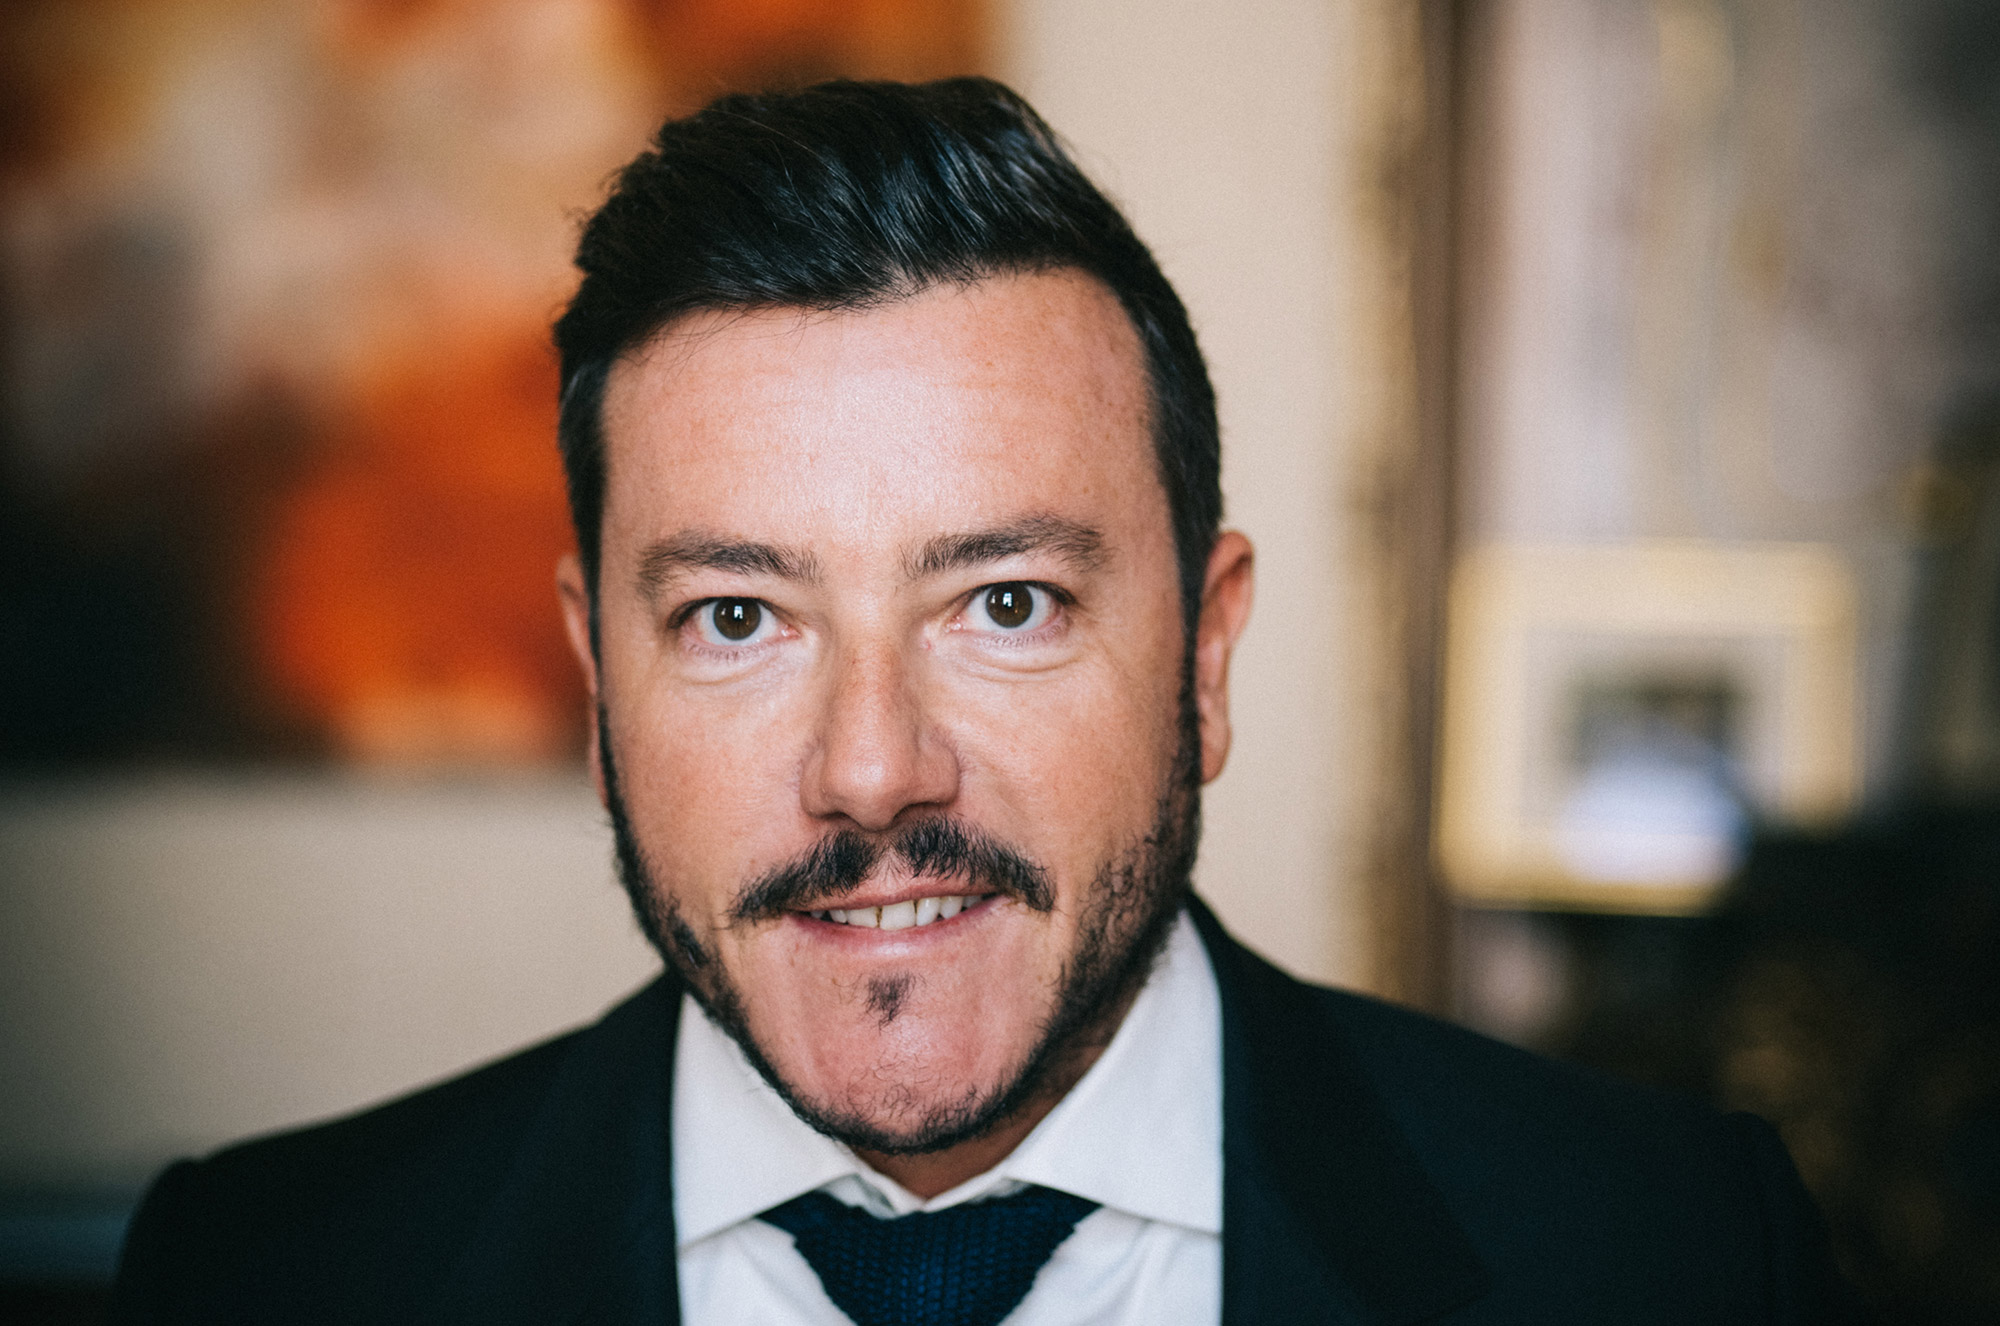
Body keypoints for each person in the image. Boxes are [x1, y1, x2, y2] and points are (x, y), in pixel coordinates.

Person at [109, 78, 1861, 1325]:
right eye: (738, 616)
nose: (874, 768)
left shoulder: (1670, 1256)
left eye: (1005, 603)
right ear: (597, 686)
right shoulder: (262, 1276)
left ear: (1205, 656)